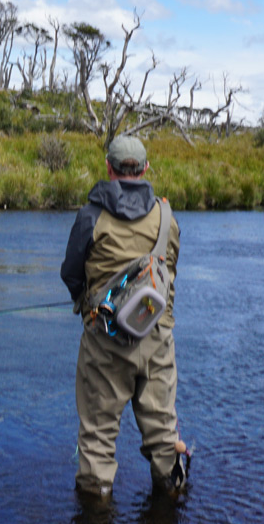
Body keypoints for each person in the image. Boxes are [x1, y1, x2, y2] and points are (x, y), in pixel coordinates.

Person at [60, 134, 187, 498]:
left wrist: (88, 307)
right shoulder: (167, 218)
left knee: (98, 438)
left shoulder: (90, 217)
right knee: (164, 433)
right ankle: (171, 505)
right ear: (145, 169)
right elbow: (170, 272)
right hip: (157, 336)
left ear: (109, 168)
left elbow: (71, 274)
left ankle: (96, 519)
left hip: (105, 341)